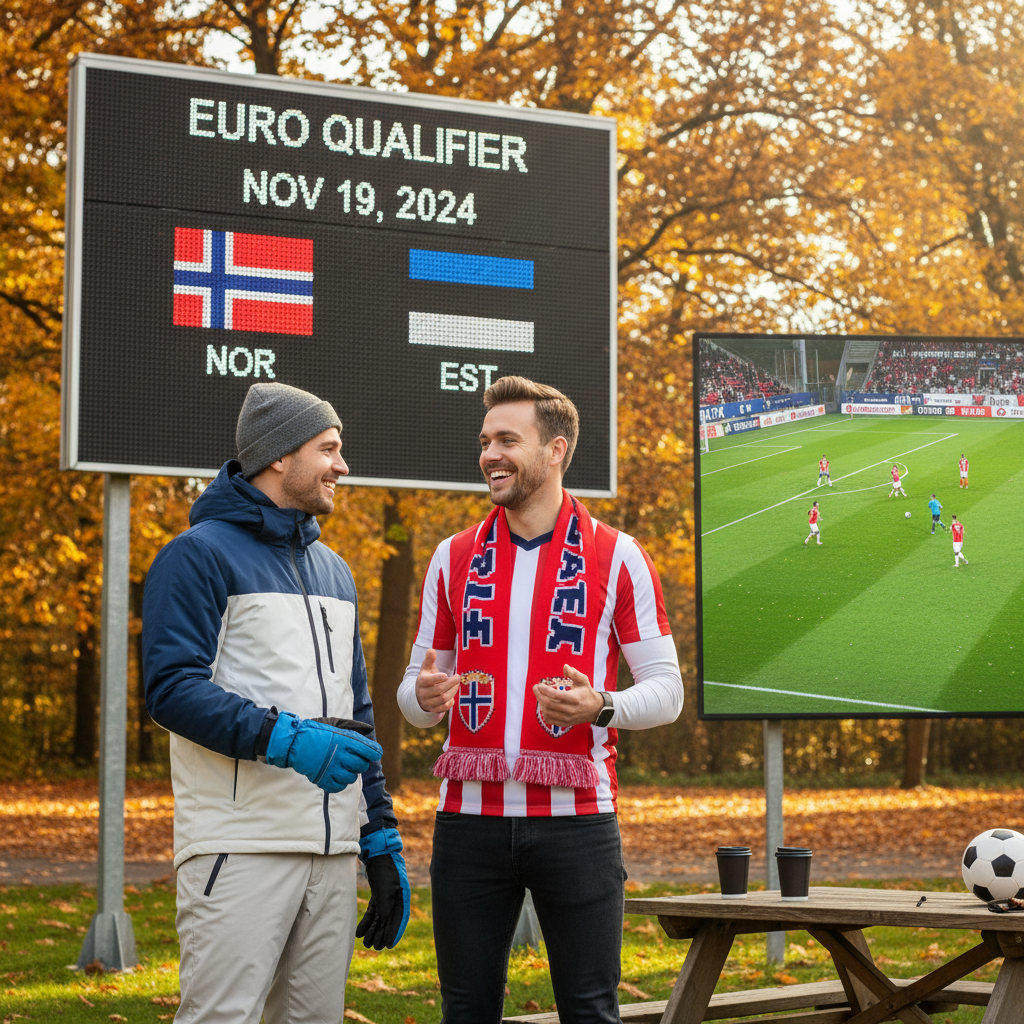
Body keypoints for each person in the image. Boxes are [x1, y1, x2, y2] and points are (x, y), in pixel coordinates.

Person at [398, 376, 683, 1024]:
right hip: (467, 823)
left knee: (588, 1009)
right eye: (484, 441)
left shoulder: (620, 556)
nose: (489, 455)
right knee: (466, 1009)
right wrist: (422, 695)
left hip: (579, 820)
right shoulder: (453, 557)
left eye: (507, 440)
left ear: (556, 450)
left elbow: (668, 692)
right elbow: (411, 697)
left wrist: (602, 705)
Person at [142, 382, 410, 1024]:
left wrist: (377, 833)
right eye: (329, 448)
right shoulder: (197, 555)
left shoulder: (335, 570)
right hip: (240, 848)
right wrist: (287, 738)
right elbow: (172, 688)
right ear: (279, 456)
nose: (342, 465)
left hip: (333, 854)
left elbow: (359, 714)